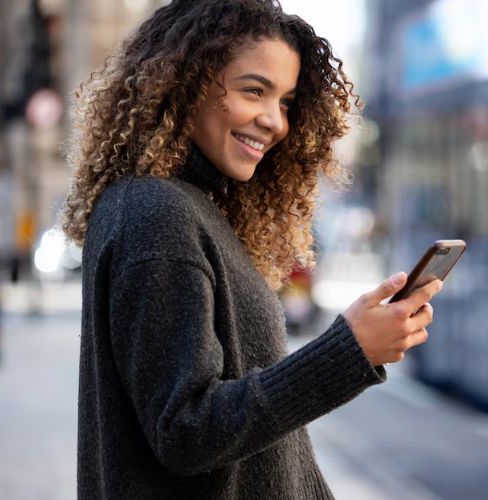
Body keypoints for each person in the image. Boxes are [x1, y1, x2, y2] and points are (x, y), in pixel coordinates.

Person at [61, 1, 442, 498]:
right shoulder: (156, 215)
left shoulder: (187, 208)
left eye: (284, 101)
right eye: (254, 90)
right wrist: (349, 351)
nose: (274, 121)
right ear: (185, 82)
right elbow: (186, 432)